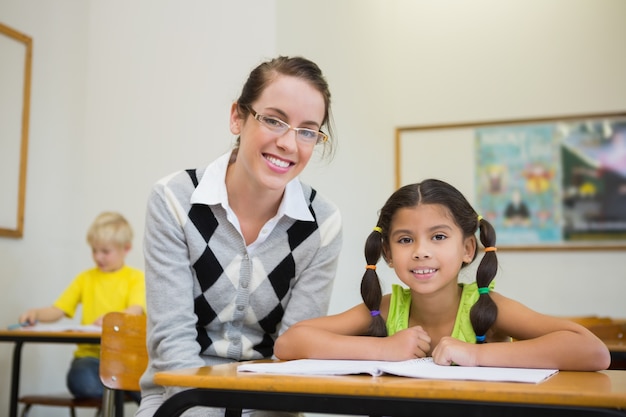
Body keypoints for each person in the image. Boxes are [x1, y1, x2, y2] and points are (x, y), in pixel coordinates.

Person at [136, 56, 343, 416]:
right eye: (274, 120)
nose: (289, 144)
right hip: (177, 400)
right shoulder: (174, 200)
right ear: (238, 117)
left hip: (271, 405)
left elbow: (291, 353)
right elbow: (174, 344)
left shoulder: (321, 225)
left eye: (307, 130)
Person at [275, 179, 610, 371]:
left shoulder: (487, 307)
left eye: (438, 237)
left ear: (467, 249)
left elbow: (592, 351)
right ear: (388, 254)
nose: (421, 251)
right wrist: (384, 350)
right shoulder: (386, 308)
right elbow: (290, 342)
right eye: (406, 240)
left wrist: (475, 354)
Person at [18, 211, 146, 400]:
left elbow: (136, 310)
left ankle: (118, 391)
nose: (98, 257)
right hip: (90, 357)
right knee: (80, 381)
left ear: (126, 248)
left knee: (151, 388)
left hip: (125, 358)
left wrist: (112, 319)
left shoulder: (135, 278)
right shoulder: (85, 279)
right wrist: (35, 313)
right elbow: (57, 310)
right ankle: (120, 391)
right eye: (94, 250)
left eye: (105, 251)